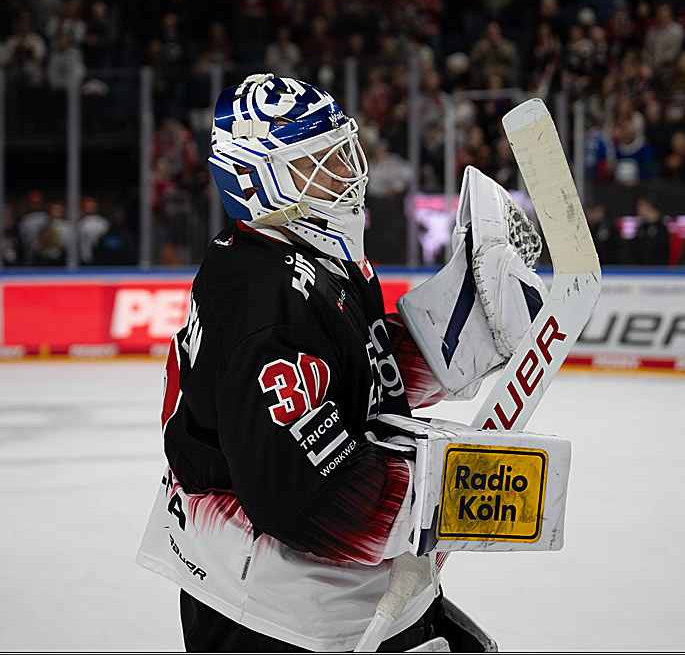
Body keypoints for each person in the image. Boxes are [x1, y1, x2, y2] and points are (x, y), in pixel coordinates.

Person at [136, 74, 492, 652]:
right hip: (272, 611)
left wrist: (456, 332)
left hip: (302, 587)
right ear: (257, 185)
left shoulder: (297, 255)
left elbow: (357, 379)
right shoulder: (269, 300)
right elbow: (308, 498)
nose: (343, 174)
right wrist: (450, 497)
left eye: (339, 151)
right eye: (315, 164)